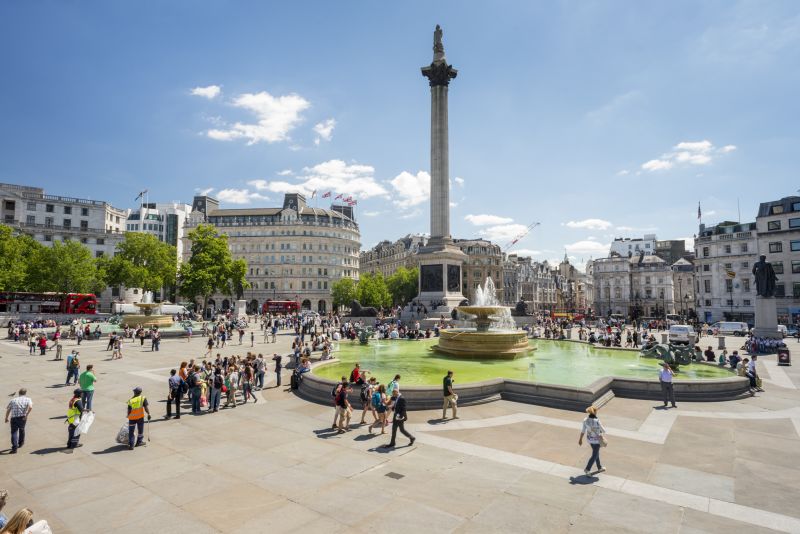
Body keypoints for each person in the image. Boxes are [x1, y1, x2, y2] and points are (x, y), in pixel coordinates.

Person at [578, 406, 607, 476]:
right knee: (594, 455)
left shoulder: (585, 420)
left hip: (590, 440)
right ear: (595, 412)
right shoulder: (597, 421)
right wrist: (599, 431)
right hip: (597, 441)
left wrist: (580, 439)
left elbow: (583, 431)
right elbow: (604, 430)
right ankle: (587, 469)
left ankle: (599, 467)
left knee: (596, 453)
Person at [5, 389, 32, 454]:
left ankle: (14, 448)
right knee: (22, 429)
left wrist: (6, 418)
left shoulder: (13, 400)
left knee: (14, 432)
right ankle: (21, 443)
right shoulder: (28, 399)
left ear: (19, 393)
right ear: (25, 393)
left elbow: (8, 409)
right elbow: (30, 407)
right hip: (22, 417)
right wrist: (26, 415)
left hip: (14, 418)